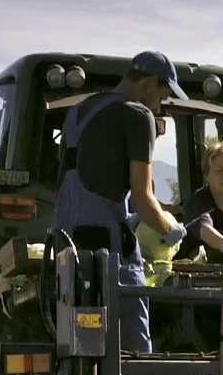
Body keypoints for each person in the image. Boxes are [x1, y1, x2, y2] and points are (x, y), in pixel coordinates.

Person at [54, 50, 188, 353]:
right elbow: (143, 200)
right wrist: (171, 228)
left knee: (80, 352)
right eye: (163, 96)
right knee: (134, 355)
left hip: (68, 250)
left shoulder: (78, 111)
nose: (161, 105)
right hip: (110, 255)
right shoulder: (139, 116)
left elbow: (82, 179)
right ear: (151, 83)